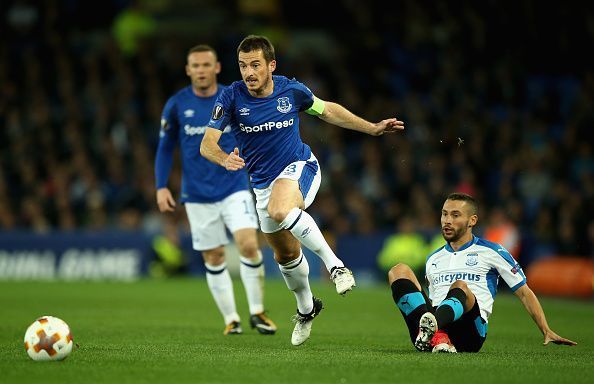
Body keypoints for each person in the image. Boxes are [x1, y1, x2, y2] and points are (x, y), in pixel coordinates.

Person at [201, 35, 404, 345]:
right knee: (286, 254)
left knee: (281, 210)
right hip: (263, 187)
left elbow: (327, 111)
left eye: (255, 65)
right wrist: (223, 157)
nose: (249, 73)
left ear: (271, 65)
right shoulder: (231, 97)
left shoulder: (291, 91)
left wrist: (372, 128)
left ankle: (336, 267)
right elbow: (207, 144)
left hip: (300, 167)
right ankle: (307, 308)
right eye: (243, 66)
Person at [154, 44, 276, 336]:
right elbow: (165, 147)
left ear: (217, 68)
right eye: (195, 66)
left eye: (206, 65)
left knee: (248, 243)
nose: (201, 71)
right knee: (214, 256)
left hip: (234, 186)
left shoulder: (233, 97)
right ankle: (231, 318)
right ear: (188, 70)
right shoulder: (177, 104)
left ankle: (257, 312)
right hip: (196, 194)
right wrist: (160, 186)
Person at [387, 192, 577, 353]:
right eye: (444, 214)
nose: (447, 221)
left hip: (469, 334)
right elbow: (432, 297)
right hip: (433, 330)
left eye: (455, 215)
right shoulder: (434, 258)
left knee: (460, 285)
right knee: (399, 270)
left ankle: (433, 329)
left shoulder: (492, 251)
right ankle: (435, 336)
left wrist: (546, 329)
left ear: (472, 221)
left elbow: (524, 292)